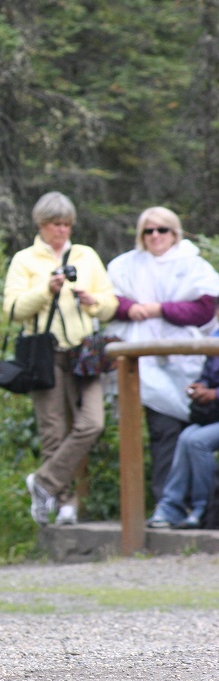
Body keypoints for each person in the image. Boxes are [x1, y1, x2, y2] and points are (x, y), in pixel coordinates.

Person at [3, 192, 118, 526]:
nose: (62, 230)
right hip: (45, 354)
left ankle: (43, 483)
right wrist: (46, 290)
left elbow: (110, 304)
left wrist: (92, 300)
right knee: (53, 430)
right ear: (41, 225)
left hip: (83, 354)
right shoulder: (25, 260)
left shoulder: (86, 256)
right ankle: (65, 503)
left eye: (67, 224)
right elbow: (12, 310)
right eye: (56, 224)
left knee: (92, 422)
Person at [105, 207, 219, 502]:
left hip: (192, 364)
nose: (155, 236)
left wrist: (160, 309)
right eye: (148, 231)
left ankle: (199, 505)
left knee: (193, 435)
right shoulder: (125, 266)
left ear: (174, 232)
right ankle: (166, 505)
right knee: (164, 433)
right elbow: (106, 301)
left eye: (162, 230)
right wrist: (129, 308)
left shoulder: (193, 266)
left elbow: (204, 308)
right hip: (147, 366)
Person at [146, 338, 219, 530]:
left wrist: (215, 394)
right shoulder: (215, 337)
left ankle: (203, 508)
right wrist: (199, 386)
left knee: (197, 441)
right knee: (186, 436)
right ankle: (171, 506)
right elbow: (207, 375)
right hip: (213, 416)